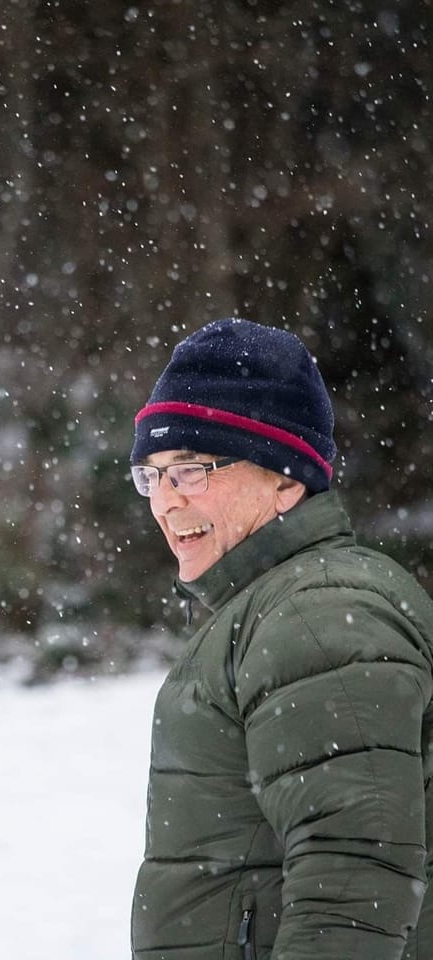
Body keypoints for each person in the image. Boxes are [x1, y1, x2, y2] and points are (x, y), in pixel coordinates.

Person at [128, 317, 433, 959]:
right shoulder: (265, 606)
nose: (164, 501)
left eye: (191, 469)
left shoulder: (316, 614)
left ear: (287, 481)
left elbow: (354, 875)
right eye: (151, 474)